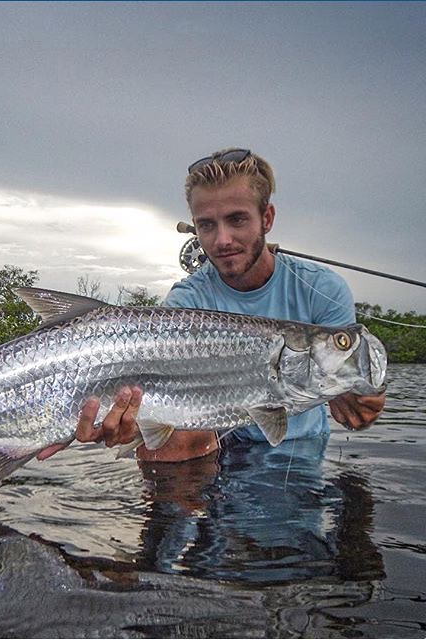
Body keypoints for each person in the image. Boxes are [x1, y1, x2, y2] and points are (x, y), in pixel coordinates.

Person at [39, 148, 386, 463]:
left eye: (237, 220)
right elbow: (156, 417)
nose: (222, 240)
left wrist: (359, 403)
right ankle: (173, 524)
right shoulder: (186, 301)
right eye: (206, 225)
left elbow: (353, 403)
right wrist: (126, 423)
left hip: (303, 454)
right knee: (172, 440)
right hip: (214, 455)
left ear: (267, 218)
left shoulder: (322, 289)